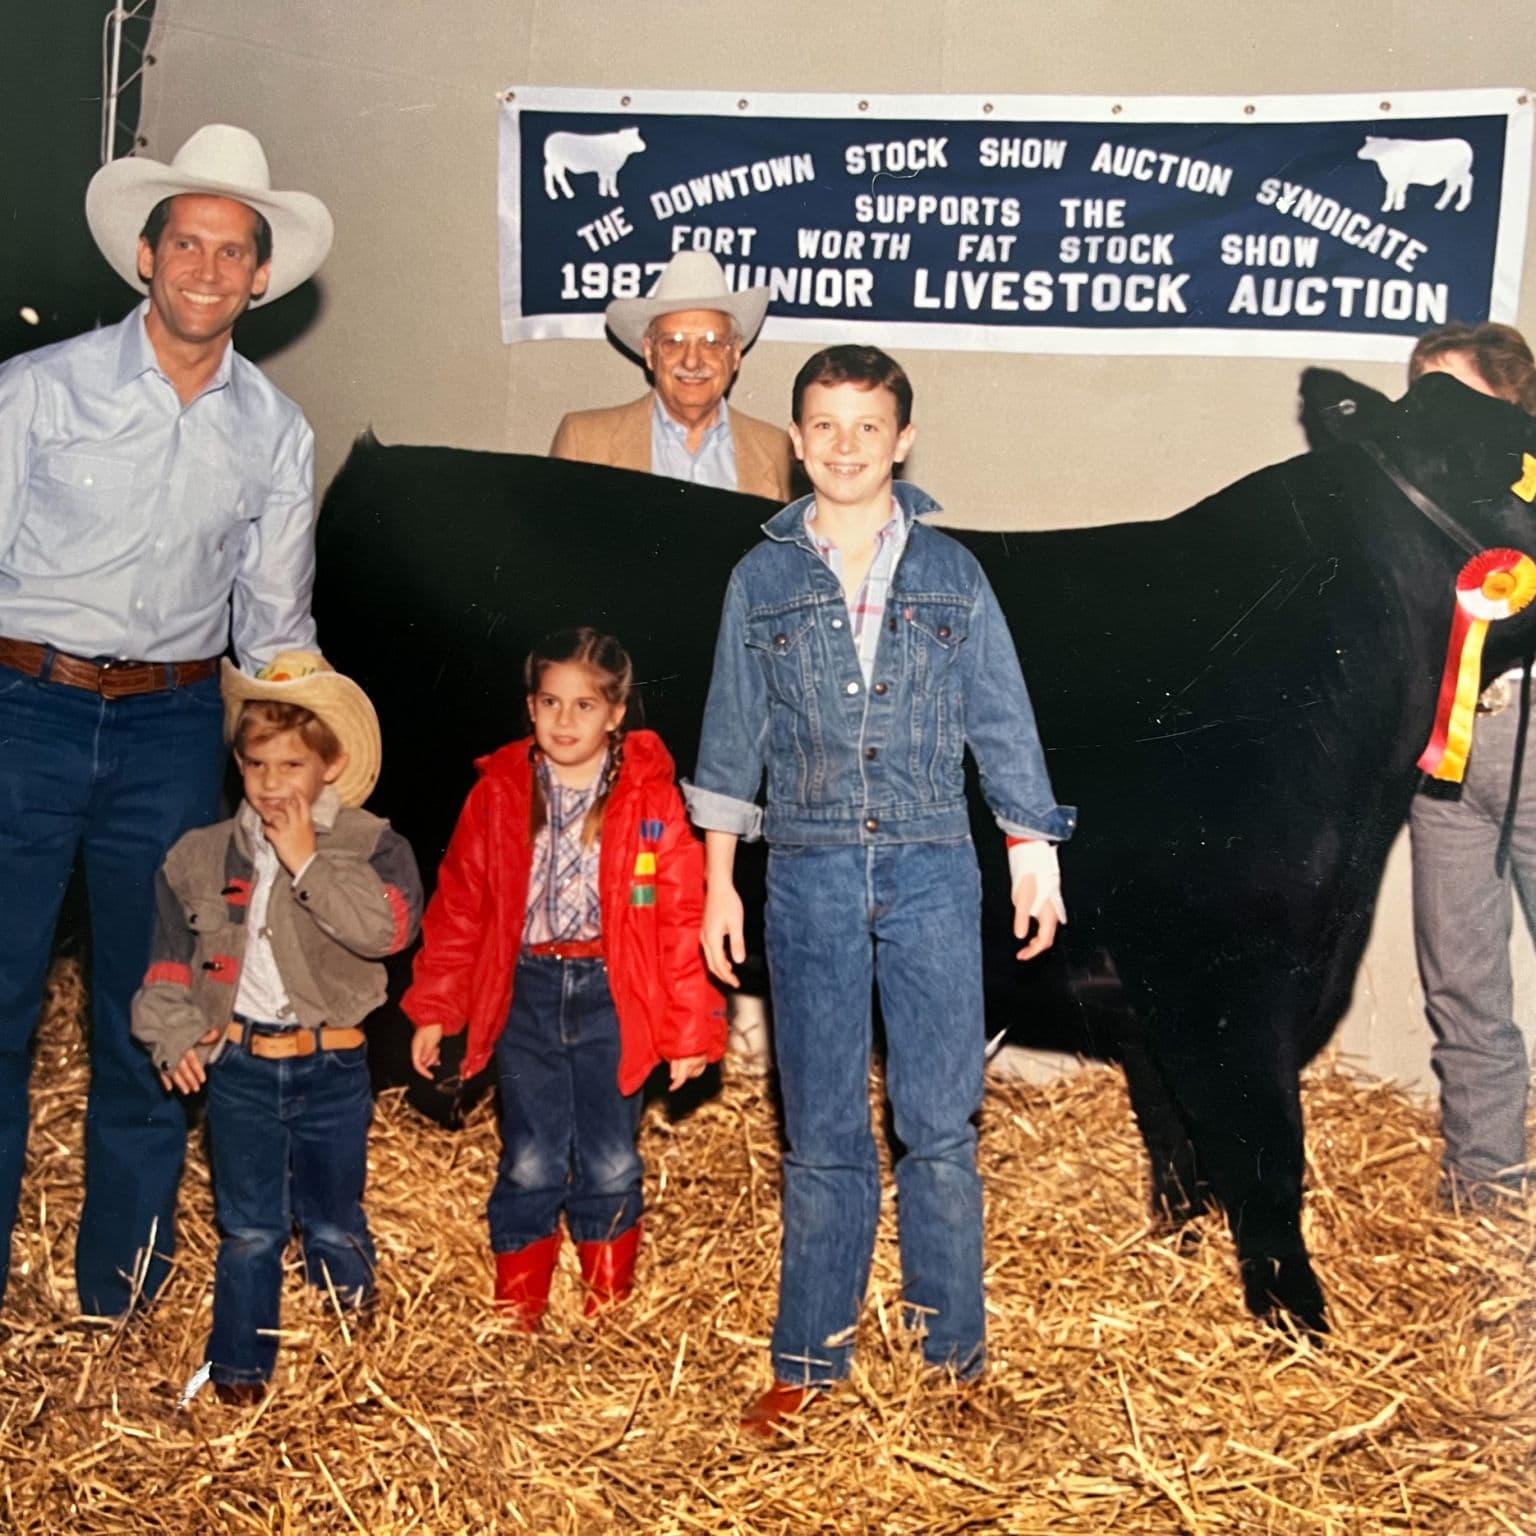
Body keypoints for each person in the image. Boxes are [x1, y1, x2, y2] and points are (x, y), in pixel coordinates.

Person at [687, 345, 1075, 1439]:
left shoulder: (953, 573)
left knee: (938, 1123)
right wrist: (718, 887)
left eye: (868, 426)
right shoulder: (761, 580)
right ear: (795, 439)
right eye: (825, 424)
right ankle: (810, 1359)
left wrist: (1032, 852)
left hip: (932, 870)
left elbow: (1001, 718)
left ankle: (952, 1363)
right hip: (805, 874)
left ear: (903, 440)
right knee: (819, 1128)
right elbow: (731, 741)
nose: (846, 445)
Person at [0, 124, 334, 1316]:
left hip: (172, 732)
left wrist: (304, 772)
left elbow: (276, 629)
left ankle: (122, 1291)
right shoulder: (38, 390)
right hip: (22, 712)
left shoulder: (276, 431)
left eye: (232, 250)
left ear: (260, 276)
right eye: (186, 242)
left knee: (158, 1009)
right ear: (145, 256)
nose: (207, 267)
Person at [403, 628, 726, 1328]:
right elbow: (460, 905)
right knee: (530, 1154)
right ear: (531, 706)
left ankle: (607, 1309)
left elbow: (678, 917)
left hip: (615, 996)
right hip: (526, 994)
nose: (565, 720)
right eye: (550, 702)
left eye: (585, 705)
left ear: (616, 713)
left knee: (610, 1156)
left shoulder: (650, 802)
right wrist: (436, 1007)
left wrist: (688, 1029)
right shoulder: (498, 794)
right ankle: (518, 1307)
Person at [131, 652, 422, 1404]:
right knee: (250, 1228)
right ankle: (238, 1377)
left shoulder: (373, 845)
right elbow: (167, 963)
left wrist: (306, 860)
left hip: (333, 1065)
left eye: (292, 763)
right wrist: (175, 1035)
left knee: (334, 1219)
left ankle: (357, 1364)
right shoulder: (199, 857)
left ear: (332, 765)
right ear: (239, 763)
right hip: (240, 1068)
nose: (271, 782)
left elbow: (386, 932)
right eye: (257, 763)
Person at [1407, 322, 1536, 1205]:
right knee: (1461, 985)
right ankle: (1485, 1192)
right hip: (1444, 754)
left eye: (1450, 395)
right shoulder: (1403, 491)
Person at [549, 251, 793, 500]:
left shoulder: (777, 453)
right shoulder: (584, 442)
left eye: (711, 343)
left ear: (735, 354)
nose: (691, 361)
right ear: (649, 351)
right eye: (673, 342)